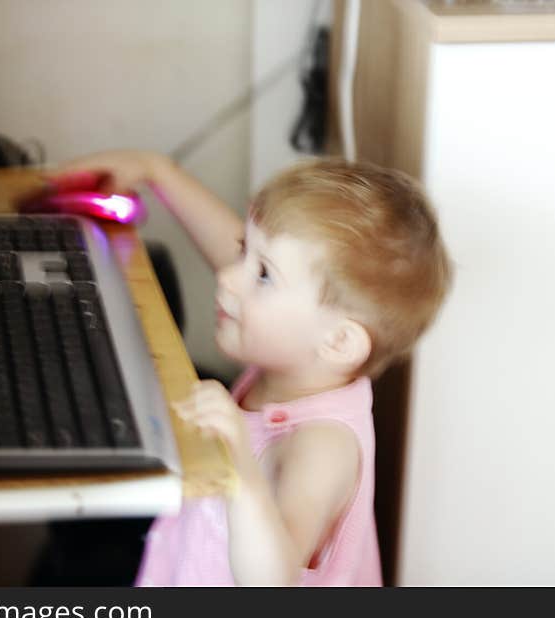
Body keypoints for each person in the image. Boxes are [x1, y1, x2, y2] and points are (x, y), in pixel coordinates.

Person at [52, 152, 452, 586]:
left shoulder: (321, 446)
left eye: (261, 275)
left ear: (338, 341)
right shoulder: (295, 365)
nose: (228, 276)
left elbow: (270, 582)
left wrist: (241, 470)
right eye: (245, 250)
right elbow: (249, 254)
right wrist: (157, 172)